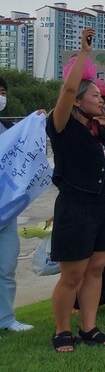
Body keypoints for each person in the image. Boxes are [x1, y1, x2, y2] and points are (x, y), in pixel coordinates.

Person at [47, 27, 105, 352]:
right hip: (75, 205)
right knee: (74, 273)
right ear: (78, 101)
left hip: (104, 205)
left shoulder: (100, 132)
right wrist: (83, 53)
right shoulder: (62, 124)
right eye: (95, 95)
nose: (102, 99)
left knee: (97, 267)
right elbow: (67, 90)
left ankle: (89, 326)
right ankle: (62, 329)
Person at [0, 76, 35, 333]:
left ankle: (6, 318)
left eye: (3, 91)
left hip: (6, 211)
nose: (2, 97)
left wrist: (36, 121)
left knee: (7, 265)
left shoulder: (7, 128)